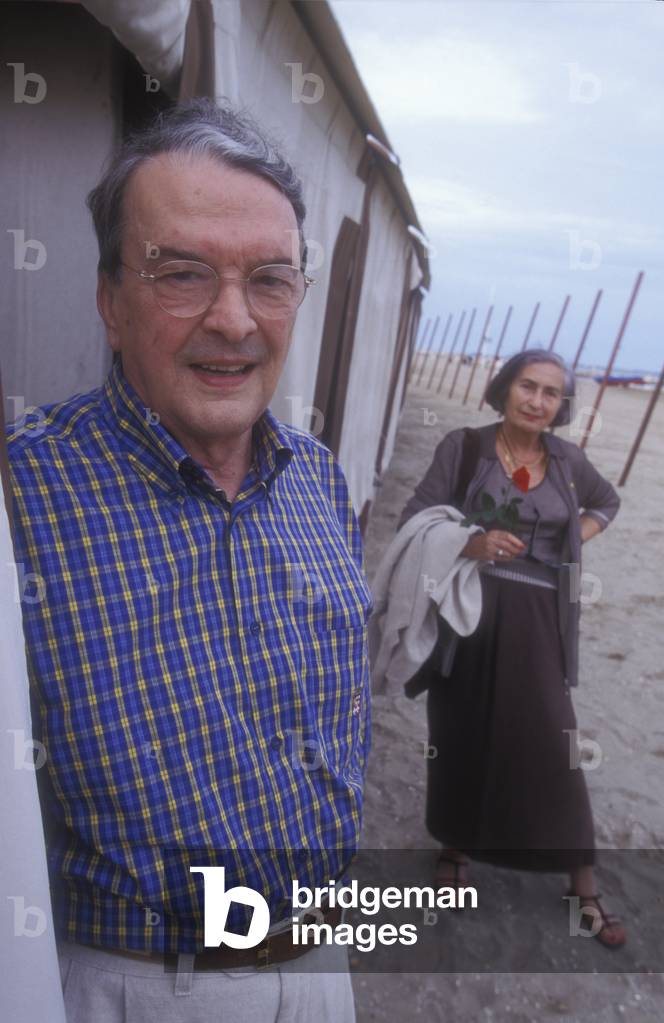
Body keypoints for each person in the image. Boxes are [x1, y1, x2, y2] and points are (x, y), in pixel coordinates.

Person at [6, 99, 372, 1021]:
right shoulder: (20, 499)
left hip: (321, 958)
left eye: (270, 280)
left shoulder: (320, 480)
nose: (233, 320)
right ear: (108, 300)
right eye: (181, 274)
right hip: (131, 983)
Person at [397, 349, 626, 948]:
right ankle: (455, 848)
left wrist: (572, 538)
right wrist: (469, 543)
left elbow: (607, 503)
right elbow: (416, 516)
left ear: (561, 406)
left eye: (552, 393)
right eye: (529, 386)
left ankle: (583, 881)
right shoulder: (465, 447)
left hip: (539, 620)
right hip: (467, 615)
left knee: (558, 745)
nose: (538, 401)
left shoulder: (569, 461)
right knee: (462, 733)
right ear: (505, 389)